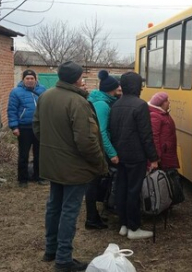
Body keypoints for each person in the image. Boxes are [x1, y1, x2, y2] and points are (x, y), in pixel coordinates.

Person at [34, 61, 107, 272]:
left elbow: (37, 128)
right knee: (69, 210)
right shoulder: (77, 101)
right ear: (77, 78)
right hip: (74, 167)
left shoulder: (45, 96)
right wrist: (98, 163)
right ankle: (63, 259)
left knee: (54, 206)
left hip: (52, 164)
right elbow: (86, 141)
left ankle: (51, 250)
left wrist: (53, 148)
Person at [109, 72, 159, 240]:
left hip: (119, 154)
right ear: (137, 86)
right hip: (136, 155)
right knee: (133, 191)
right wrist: (153, 158)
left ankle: (123, 224)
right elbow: (146, 135)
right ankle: (134, 227)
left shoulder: (116, 104)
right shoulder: (140, 105)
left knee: (121, 189)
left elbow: (113, 131)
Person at [84, 70, 121, 230]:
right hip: (98, 151)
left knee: (95, 182)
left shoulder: (100, 99)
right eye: (117, 89)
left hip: (96, 149)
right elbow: (101, 132)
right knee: (93, 183)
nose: (119, 91)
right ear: (111, 89)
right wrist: (112, 154)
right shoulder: (102, 105)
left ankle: (94, 216)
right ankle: (91, 218)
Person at [7, 69, 47, 188]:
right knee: (23, 154)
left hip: (39, 127)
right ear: (23, 80)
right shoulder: (16, 92)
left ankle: (39, 176)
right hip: (24, 127)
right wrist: (14, 126)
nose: (30, 81)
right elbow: (12, 110)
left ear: (36, 79)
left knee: (39, 154)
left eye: (32, 78)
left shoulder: (42, 90)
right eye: (27, 78)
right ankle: (22, 179)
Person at [148, 92, 180, 170]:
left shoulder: (162, 114)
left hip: (167, 153)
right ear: (162, 103)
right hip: (163, 156)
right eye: (167, 101)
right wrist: (156, 157)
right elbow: (154, 137)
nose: (169, 102)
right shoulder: (155, 116)